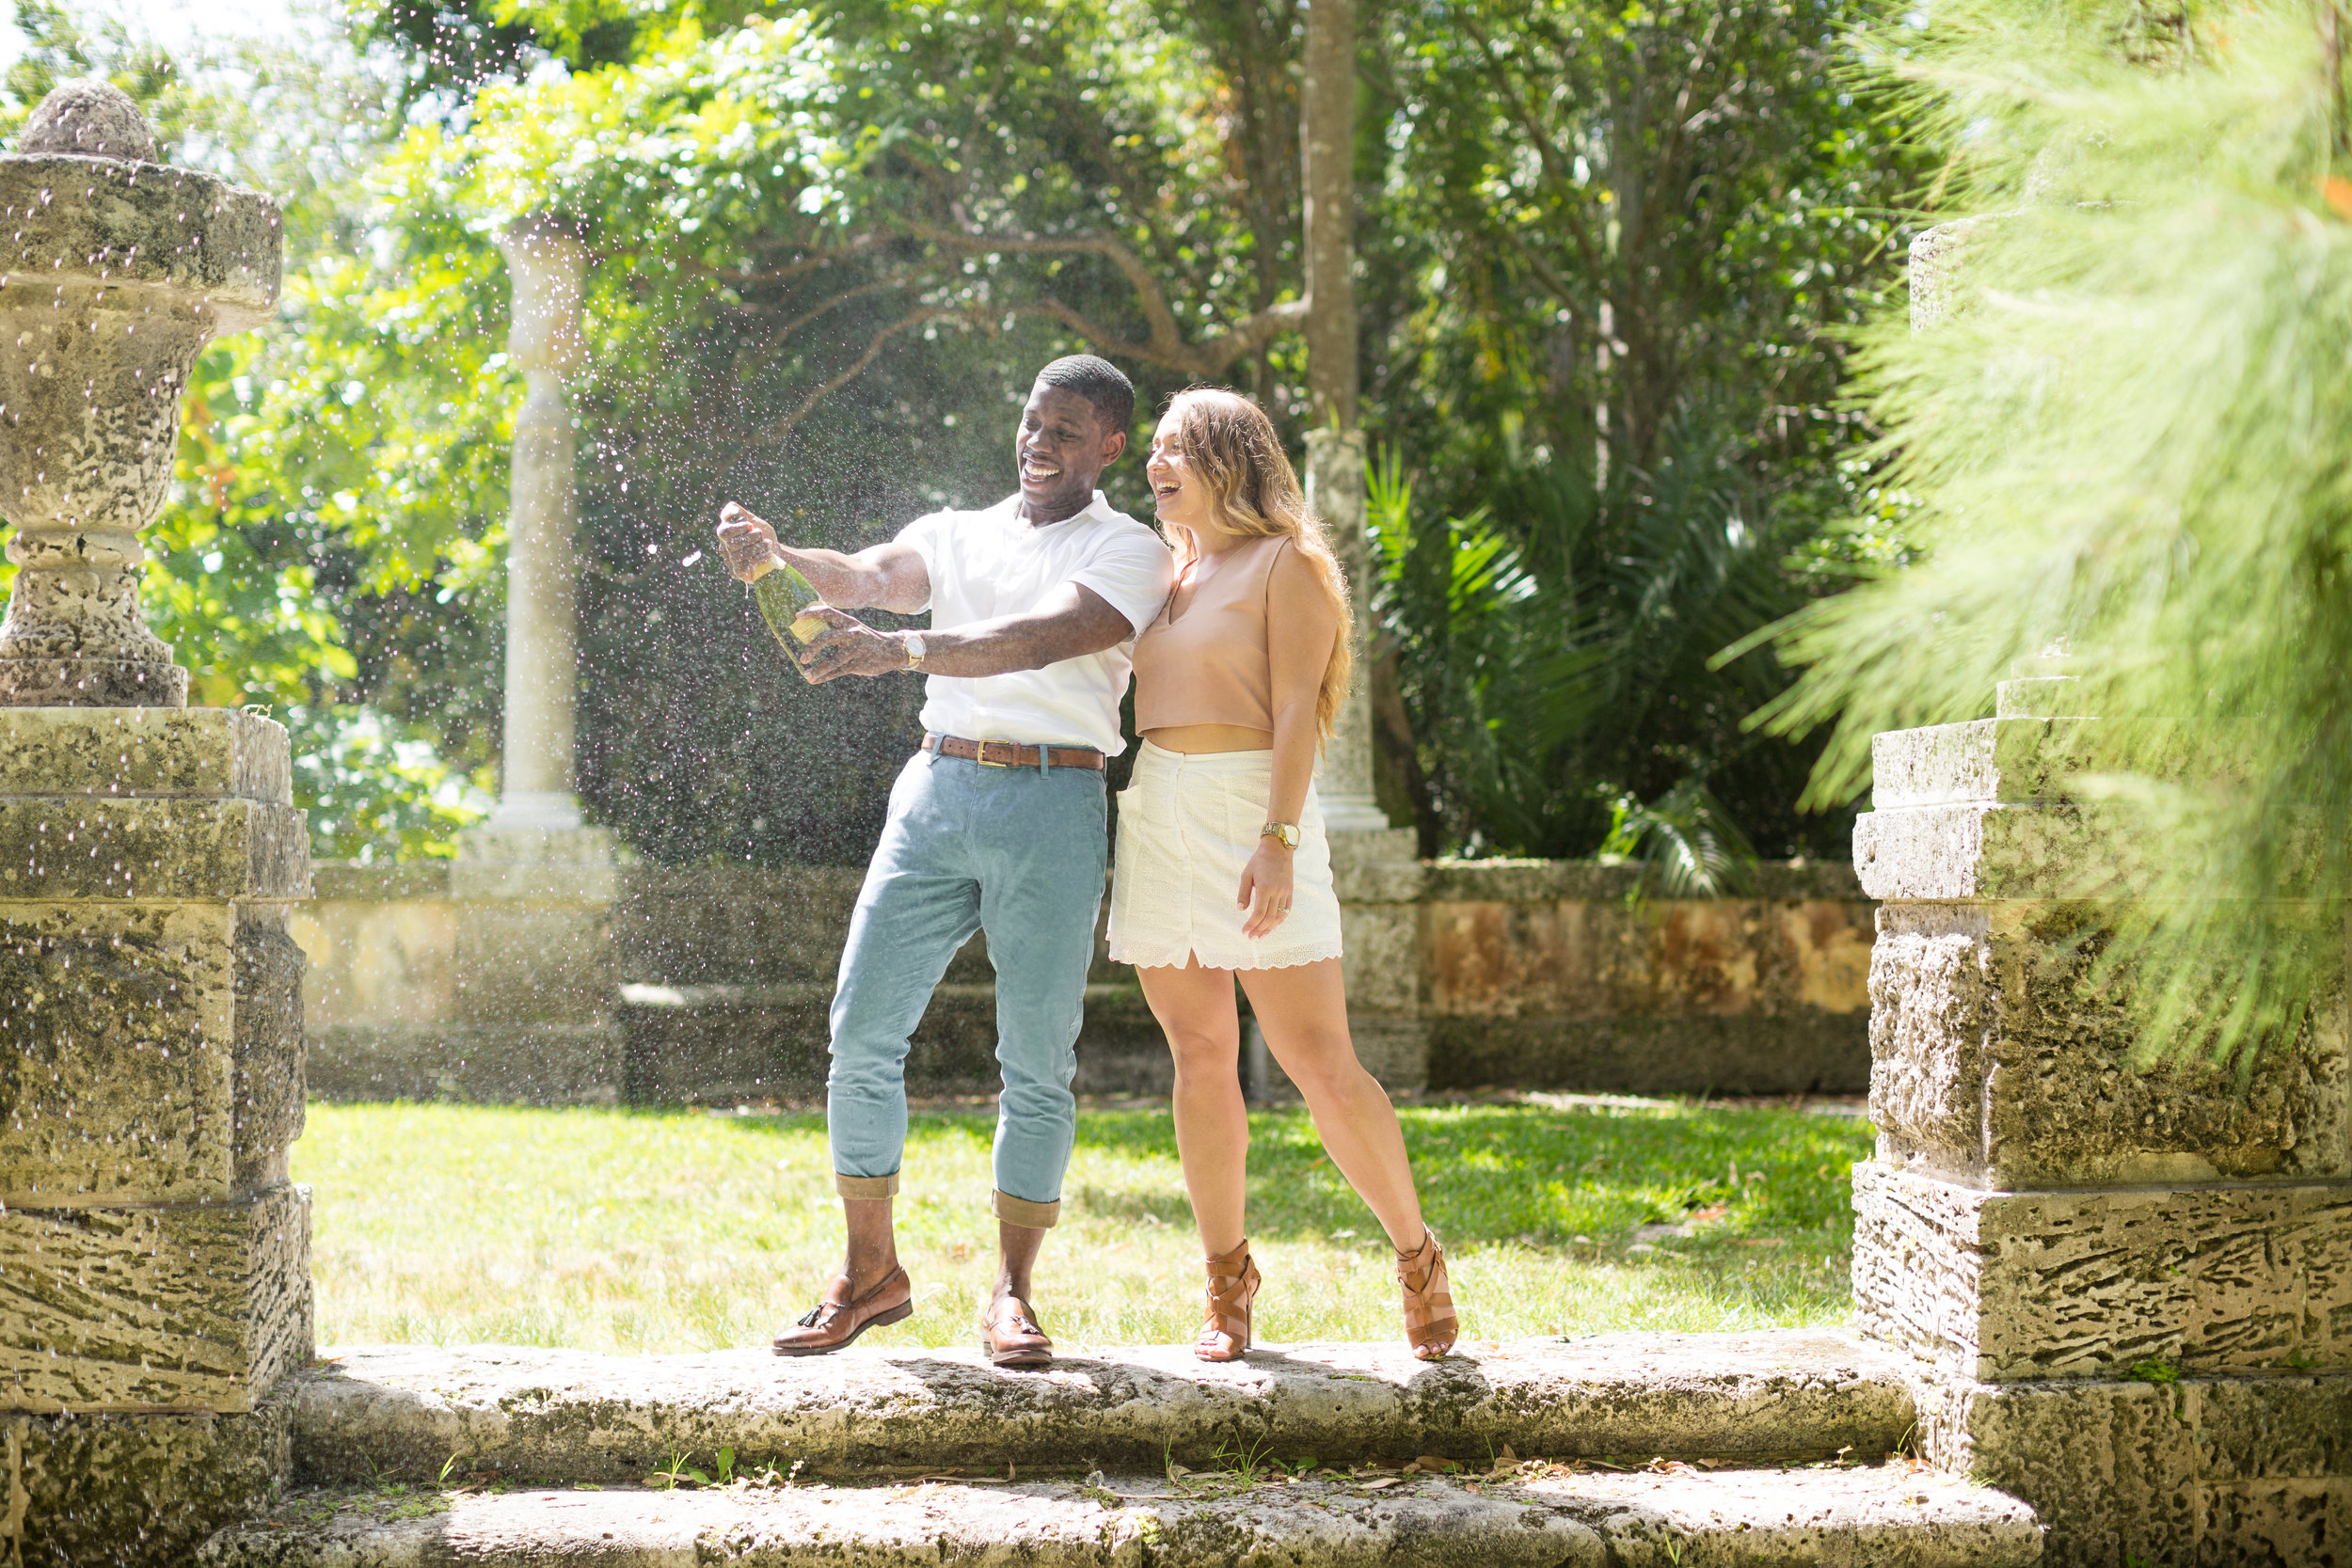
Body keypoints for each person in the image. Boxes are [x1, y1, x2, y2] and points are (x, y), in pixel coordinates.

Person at [713, 355, 1173, 1367]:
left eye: (1064, 431)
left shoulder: (1131, 550)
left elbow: (1049, 635)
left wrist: (901, 651)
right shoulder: (954, 532)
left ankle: (1012, 1293)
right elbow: (872, 578)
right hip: (936, 793)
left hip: (1054, 798)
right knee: (862, 1029)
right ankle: (868, 1273)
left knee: (1036, 1059)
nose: (1038, 444)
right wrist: (775, 554)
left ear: (1108, 447)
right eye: (1030, 422)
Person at [1106, 387, 1456, 1362]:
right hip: (1156, 806)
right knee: (1199, 1053)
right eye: (1154, 448)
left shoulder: (1286, 564)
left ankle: (1416, 1254)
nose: (1153, 462)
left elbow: (1300, 709)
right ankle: (1227, 1282)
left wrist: (1280, 839)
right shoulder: (1162, 570)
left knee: (1319, 1064)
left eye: (1175, 447)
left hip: (1251, 808)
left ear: (1227, 457)